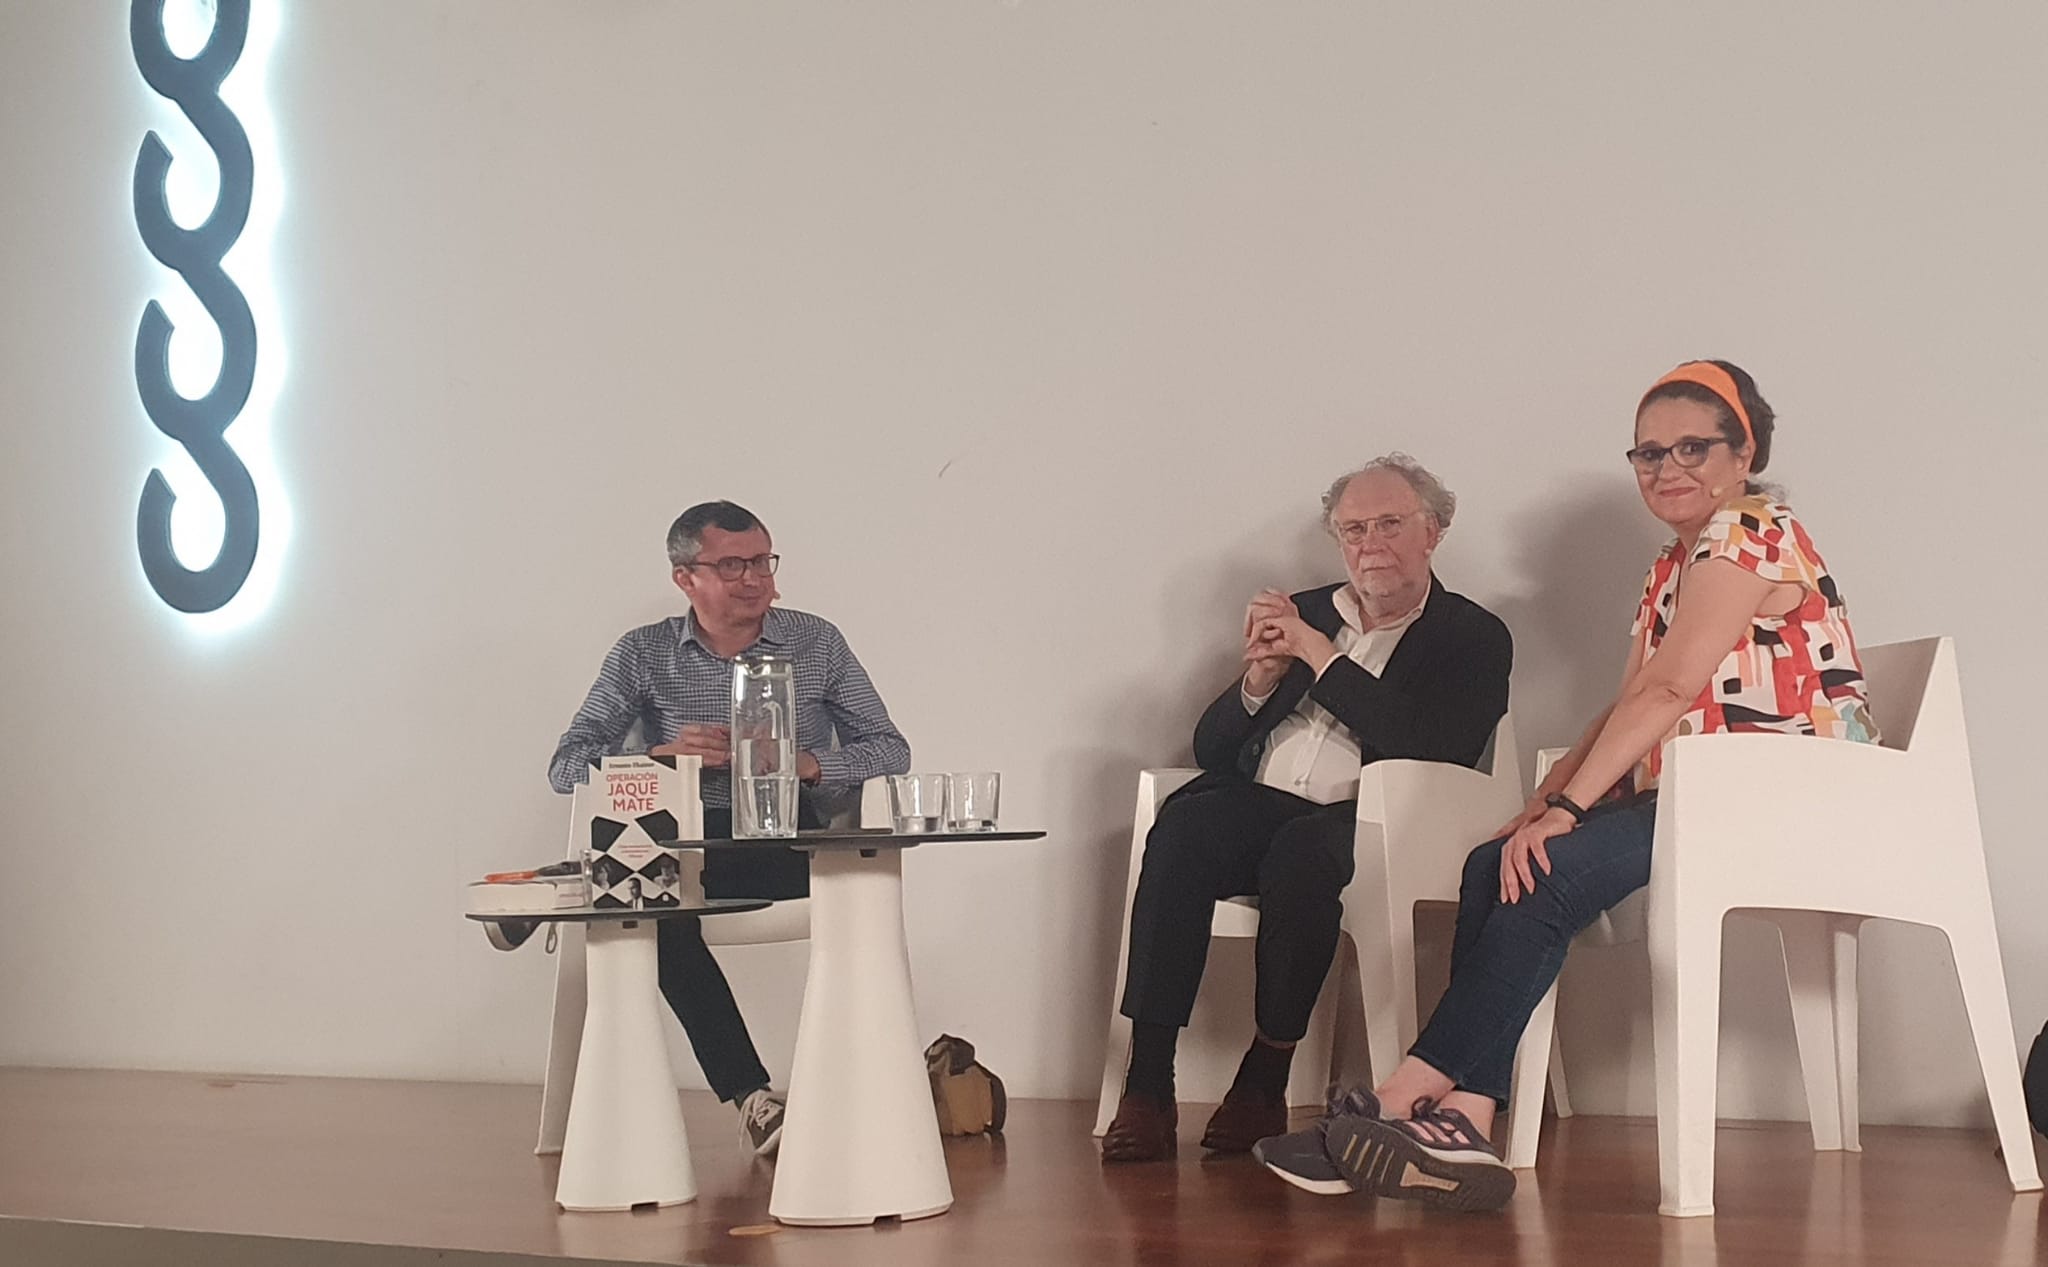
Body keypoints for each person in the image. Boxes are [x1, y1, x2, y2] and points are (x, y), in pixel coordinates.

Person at [1255, 360, 1881, 1212]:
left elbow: (1671, 691)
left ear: (1745, 453)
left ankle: (1404, 1096)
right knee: (1495, 861)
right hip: (1699, 797)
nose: (1667, 467)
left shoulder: (1752, 531)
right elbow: (1632, 697)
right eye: (1649, 452)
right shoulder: (1674, 564)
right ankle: (1466, 1118)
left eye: (1693, 447)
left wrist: (1573, 808)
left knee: (1544, 868)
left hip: (1783, 793)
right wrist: (1545, 800)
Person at [1101, 455, 1513, 1164]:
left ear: (1434, 531)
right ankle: (1148, 1079)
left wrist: (1323, 658)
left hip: (1377, 818)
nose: (1369, 543)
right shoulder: (1308, 610)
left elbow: (1434, 744)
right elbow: (1214, 750)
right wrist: (1258, 681)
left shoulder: (1471, 634)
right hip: (1265, 804)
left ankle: (1266, 1073)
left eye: (1389, 524)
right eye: (1353, 529)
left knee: (1304, 852)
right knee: (1186, 824)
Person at [545, 500, 911, 1156]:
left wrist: (807, 763)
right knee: (652, 902)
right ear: (686, 578)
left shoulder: (815, 642)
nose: (755, 579)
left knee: (853, 893)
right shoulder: (643, 653)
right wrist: (660, 756)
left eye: (763, 561)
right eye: (734, 565)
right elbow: (567, 764)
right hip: (686, 841)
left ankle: (869, 1091)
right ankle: (752, 1097)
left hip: (786, 835)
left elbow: (889, 748)